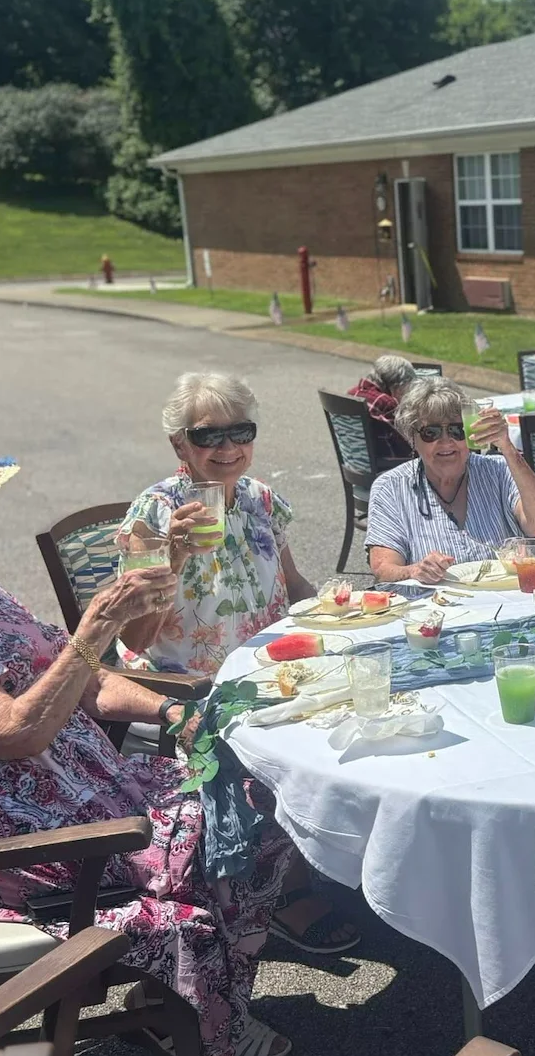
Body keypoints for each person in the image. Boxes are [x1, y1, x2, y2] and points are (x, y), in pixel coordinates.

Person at [0, 438, 296, 1056]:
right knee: (231, 841)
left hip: (97, 795)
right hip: (14, 841)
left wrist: (170, 710)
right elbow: (14, 732)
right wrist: (95, 628)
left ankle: (186, 1002)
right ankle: (205, 1021)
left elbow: (86, 680)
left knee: (260, 799)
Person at [120, 372, 357, 955]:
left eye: (240, 432)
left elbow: (293, 581)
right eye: (209, 436)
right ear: (180, 444)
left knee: (373, 694)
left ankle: (324, 854)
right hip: (191, 681)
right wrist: (171, 556)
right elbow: (134, 632)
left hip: (273, 667)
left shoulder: (260, 499)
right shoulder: (153, 513)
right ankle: (279, 888)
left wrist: (337, 613)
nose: (227, 448)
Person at [366, 377, 535, 584]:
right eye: (431, 432)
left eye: (457, 430)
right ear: (412, 437)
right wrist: (415, 570)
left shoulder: (499, 470)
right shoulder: (391, 487)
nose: (446, 441)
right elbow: (383, 568)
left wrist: (507, 447)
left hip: (506, 598)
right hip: (437, 608)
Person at [349, 354, 417, 460]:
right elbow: (408, 448)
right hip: (387, 469)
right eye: (408, 388)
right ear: (398, 387)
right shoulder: (385, 404)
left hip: (355, 462)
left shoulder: (352, 394)